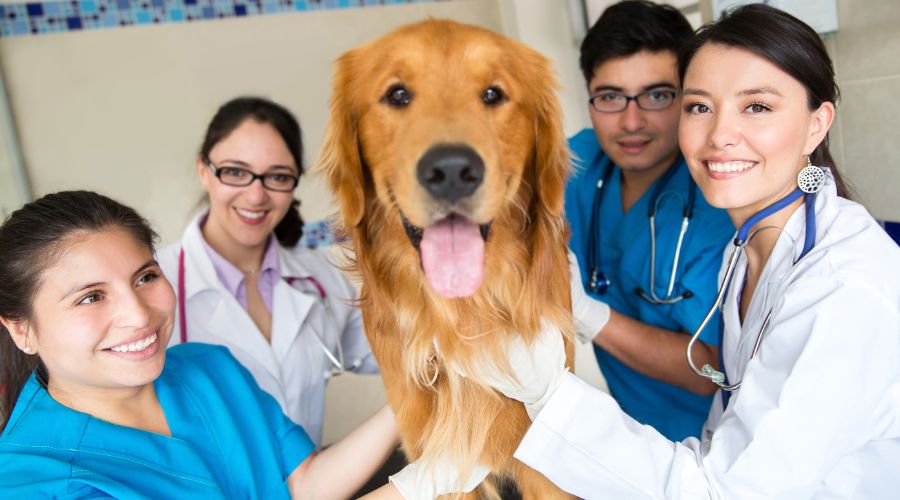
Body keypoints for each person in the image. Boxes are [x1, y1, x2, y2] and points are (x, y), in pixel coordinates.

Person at [458, 5, 900, 498]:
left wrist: (543, 385)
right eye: (699, 106)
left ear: (817, 124)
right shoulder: (753, 248)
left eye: (756, 106)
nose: (720, 135)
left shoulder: (844, 290)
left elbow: (722, 491)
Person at [0, 190, 487, 499]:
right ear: (21, 328)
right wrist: (422, 484)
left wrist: (420, 388)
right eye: (90, 297)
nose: (137, 313)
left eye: (145, 276)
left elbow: (302, 485)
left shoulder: (208, 369)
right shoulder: (34, 481)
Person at [157, 97, 377, 446]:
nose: (256, 195)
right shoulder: (155, 285)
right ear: (204, 171)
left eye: (277, 176)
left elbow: (393, 350)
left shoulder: (318, 277)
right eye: (236, 172)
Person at [566, 0, 735, 441]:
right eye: (610, 97)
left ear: (688, 96)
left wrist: (588, 315)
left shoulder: (719, 200)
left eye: (657, 95)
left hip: (715, 446)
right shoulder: (577, 162)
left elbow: (714, 370)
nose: (631, 121)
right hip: (633, 439)